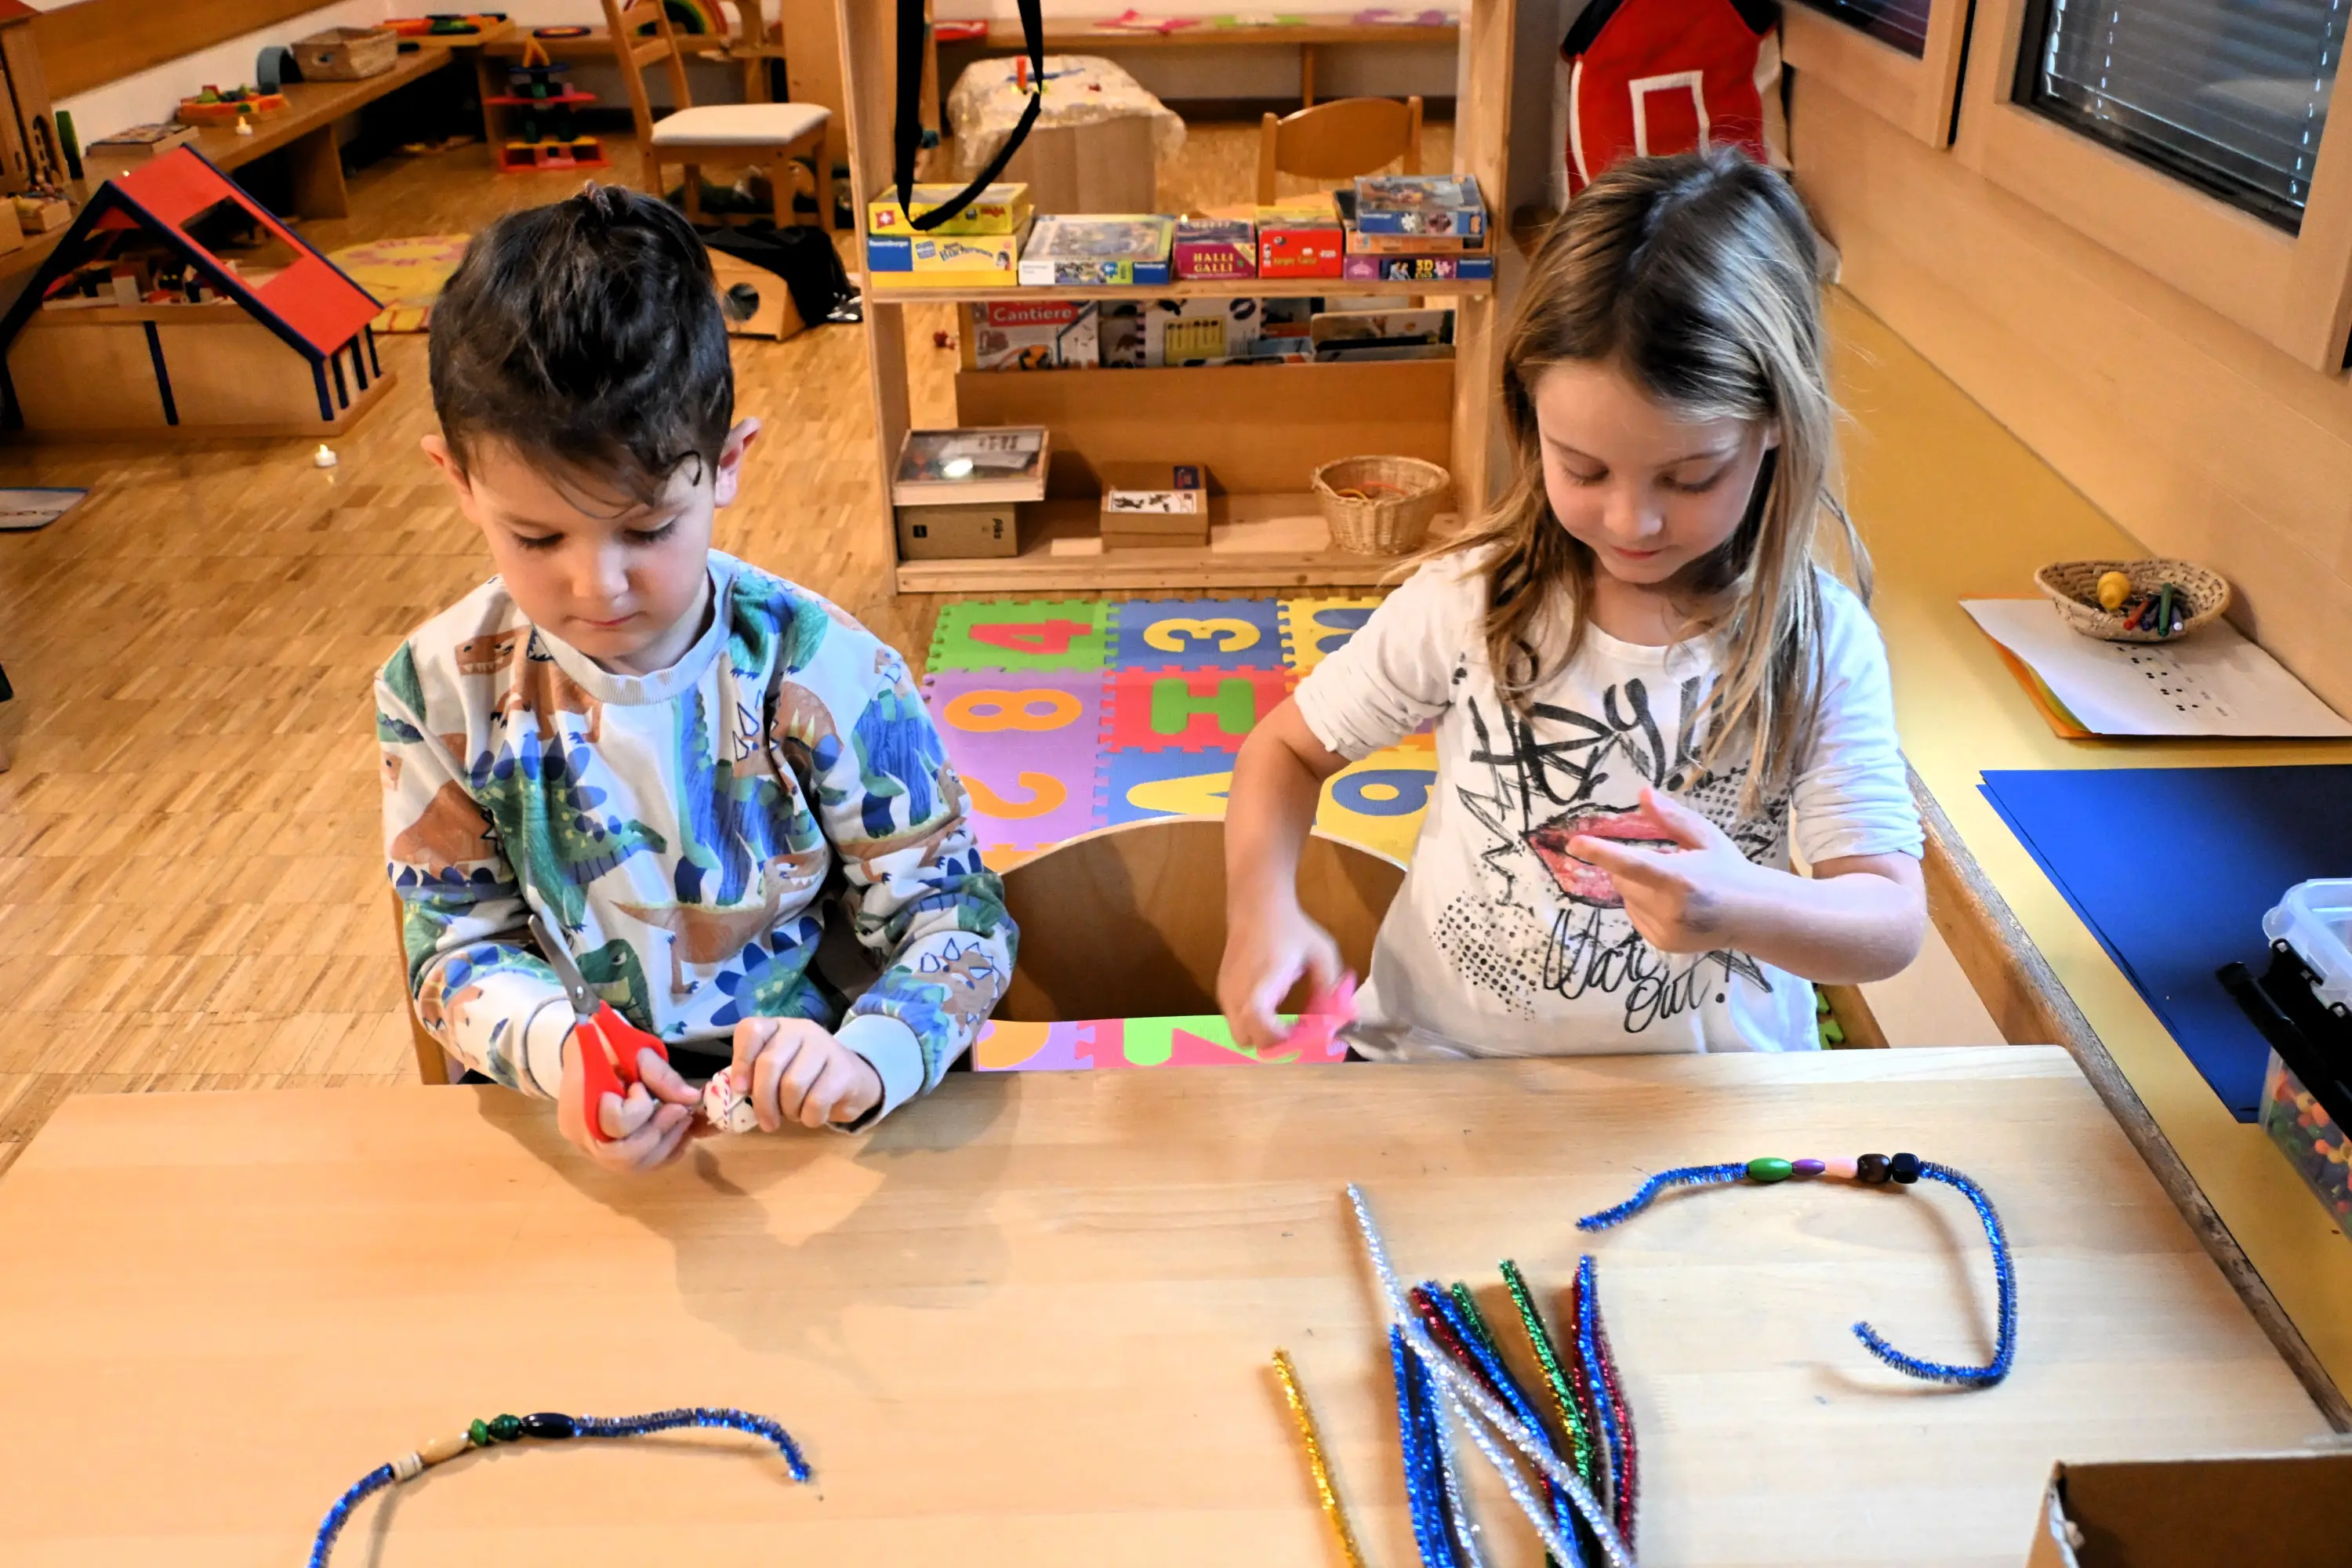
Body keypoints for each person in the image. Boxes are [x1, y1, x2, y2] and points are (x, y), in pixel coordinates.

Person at [1219, 149, 1924, 1059]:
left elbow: (1888, 920)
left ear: (1776, 426)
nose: (1632, 520)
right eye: (1585, 469)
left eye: (1690, 476)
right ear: (1531, 420)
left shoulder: (1818, 640)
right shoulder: (1470, 601)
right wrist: (1261, 909)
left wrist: (1739, 905)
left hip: (1705, 1102)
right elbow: (1283, 751)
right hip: (1442, 1072)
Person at [376, 186, 1013, 1171]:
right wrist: (564, 1054)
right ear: (457, 479)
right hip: (566, 1112)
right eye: (537, 537)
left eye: (647, 529)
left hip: (811, 1121)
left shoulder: (827, 668)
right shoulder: (438, 690)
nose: (599, 584)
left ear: (726, 463)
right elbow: (454, 944)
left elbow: (958, 918)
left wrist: (867, 1057)